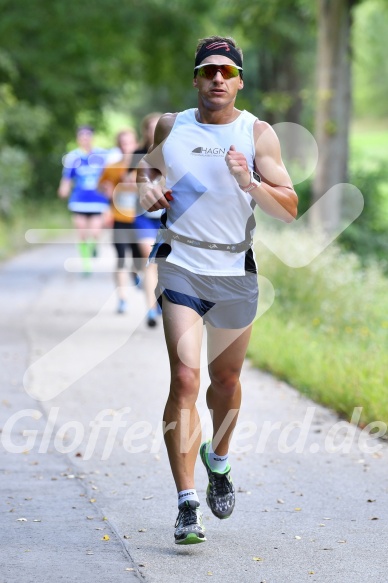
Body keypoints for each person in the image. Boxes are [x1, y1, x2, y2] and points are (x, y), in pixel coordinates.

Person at [137, 36, 298, 545]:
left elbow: (289, 206)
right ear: (196, 79)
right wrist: (147, 189)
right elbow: (149, 171)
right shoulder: (172, 125)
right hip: (181, 261)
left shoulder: (259, 134)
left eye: (227, 72)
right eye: (209, 72)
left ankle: (219, 461)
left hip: (234, 268)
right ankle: (187, 503)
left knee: (223, 384)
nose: (218, 80)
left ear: (240, 81)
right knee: (184, 377)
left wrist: (249, 181)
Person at [98, 128, 141, 314]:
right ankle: (122, 299)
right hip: (119, 218)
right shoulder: (113, 167)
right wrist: (106, 189)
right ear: (118, 145)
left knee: (140, 258)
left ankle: (135, 272)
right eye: (122, 144)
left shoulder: (144, 165)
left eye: (129, 143)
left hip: (140, 219)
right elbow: (101, 185)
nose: (126, 147)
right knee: (121, 258)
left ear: (136, 144)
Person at [58, 126, 109, 274]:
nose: (85, 138)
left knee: (95, 232)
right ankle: (86, 265)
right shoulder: (73, 157)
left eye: (88, 135)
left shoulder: (102, 155)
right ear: (78, 138)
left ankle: (94, 247)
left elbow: (109, 175)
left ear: (92, 137)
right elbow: (67, 178)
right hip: (79, 200)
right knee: (81, 233)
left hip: (97, 200)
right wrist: (63, 189)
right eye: (82, 135)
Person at [132, 113, 163, 327]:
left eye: (159, 126)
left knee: (163, 263)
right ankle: (151, 310)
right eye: (151, 127)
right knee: (150, 258)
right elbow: (123, 181)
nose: (155, 130)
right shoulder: (137, 153)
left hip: (168, 216)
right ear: (145, 131)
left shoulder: (176, 150)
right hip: (142, 215)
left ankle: (159, 298)